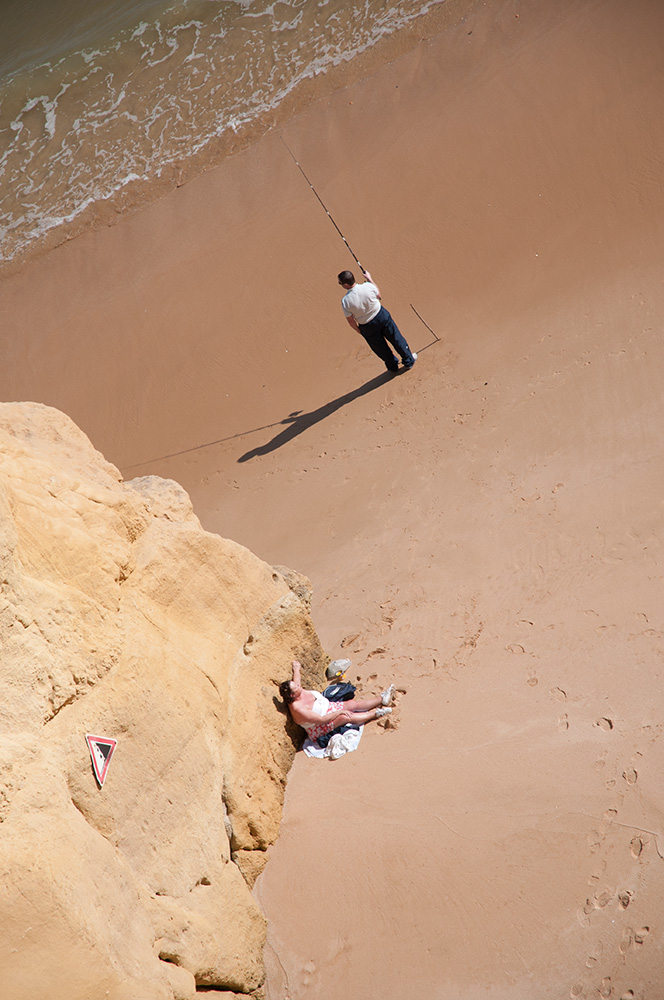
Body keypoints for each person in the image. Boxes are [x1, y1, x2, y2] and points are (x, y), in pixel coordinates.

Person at [279, 660, 395, 744]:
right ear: (292, 695)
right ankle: (376, 713)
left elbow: (296, 681)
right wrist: (340, 712)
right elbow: (322, 720)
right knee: (345, 717)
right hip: (320, 726)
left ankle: (381, 699)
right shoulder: (299, 709)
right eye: (296, 688)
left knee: (352, 704)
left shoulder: (296, 690)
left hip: (328, 707)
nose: (299, 686)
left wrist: (296, 668)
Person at [338, 269, 417, 374]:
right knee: (396, 338)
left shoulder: (345, 301)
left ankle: (393, 367)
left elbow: (350, 321)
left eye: (340, 283)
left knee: (380, 348)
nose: (340, 285)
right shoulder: (367, 286)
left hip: (367, 326)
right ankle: (408, 360)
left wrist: (359, 330)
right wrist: (370, 279)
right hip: (381, 316)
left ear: (346, 285)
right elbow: (379, 295)